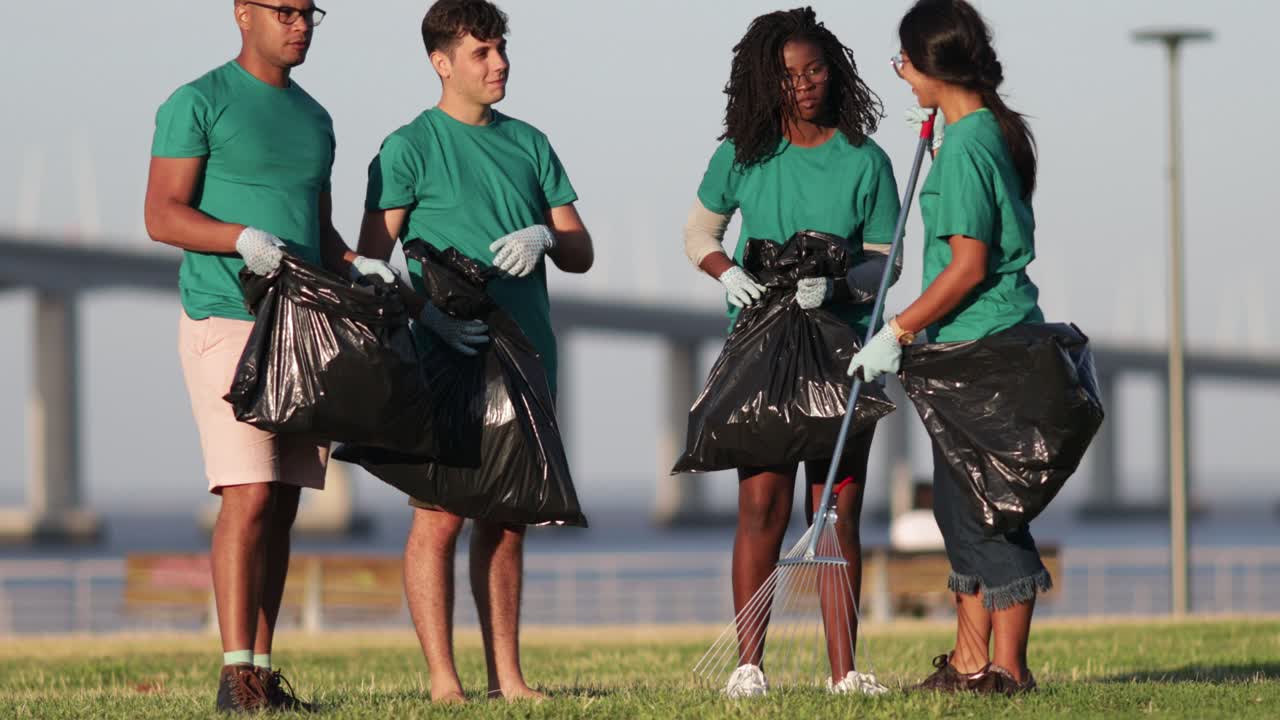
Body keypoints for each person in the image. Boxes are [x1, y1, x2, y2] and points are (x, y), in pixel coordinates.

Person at [143, 1, 395, 712]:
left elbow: (317, 229)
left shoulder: (316, 119)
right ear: (242, 13)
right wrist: (239, 238)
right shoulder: (197, 102)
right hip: (224, 319)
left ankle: (260, 671)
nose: (301, 23)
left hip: (303, 330)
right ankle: (233, 680)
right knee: (247, 494)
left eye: (310, 11)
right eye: (284, 10)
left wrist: (360, 265)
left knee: (282, 503)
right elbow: (162, 213)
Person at [356, 0, 593, 704]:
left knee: (509, 517)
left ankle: (508, 679)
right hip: (443, 350)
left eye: (502, 49)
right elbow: (371, 263)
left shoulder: (531, 143)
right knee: (439, 515)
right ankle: (442, 682)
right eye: (482, 52)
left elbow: (580, 249)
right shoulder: (406, 148)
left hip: (525, 354)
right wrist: (426, 314)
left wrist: (546, 237)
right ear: (443, 62)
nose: (499, 63)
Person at [682, 6, 900, 698]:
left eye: (813, 70)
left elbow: (885, 263)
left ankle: (845, 672)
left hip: (842, 348)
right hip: (763, 349)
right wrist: (728, 272)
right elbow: (698, 233)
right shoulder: (742, 155)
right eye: (787, 75)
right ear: (764, 81)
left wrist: (837, 281)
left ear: (833, 71)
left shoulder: (866, 159)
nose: (803, 85)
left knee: (834, 510)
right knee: (762, 508)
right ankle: (749, 667)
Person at [848, 0, 1050, 695]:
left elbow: (966, 265)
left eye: (904, 59)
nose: (900, 72)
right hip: (979, 348)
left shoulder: (969, 145)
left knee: (990, 509)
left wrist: (896, 330)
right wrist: (938, 146)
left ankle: (1009, 669)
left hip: (981, 349)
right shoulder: (979, 132)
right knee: (959, 509)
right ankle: (969, 662)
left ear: (934, 64)